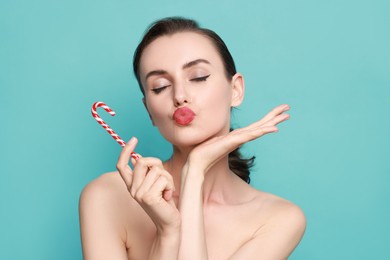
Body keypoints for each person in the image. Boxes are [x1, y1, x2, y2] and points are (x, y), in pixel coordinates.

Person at [79, 17, 306, 260]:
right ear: (149, 111)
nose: (180, 96)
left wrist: (194, 171)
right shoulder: (107, 196)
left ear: (236, 90)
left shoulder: (278, 219)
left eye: (198, 77)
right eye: (160, 86)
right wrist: (168, 233)